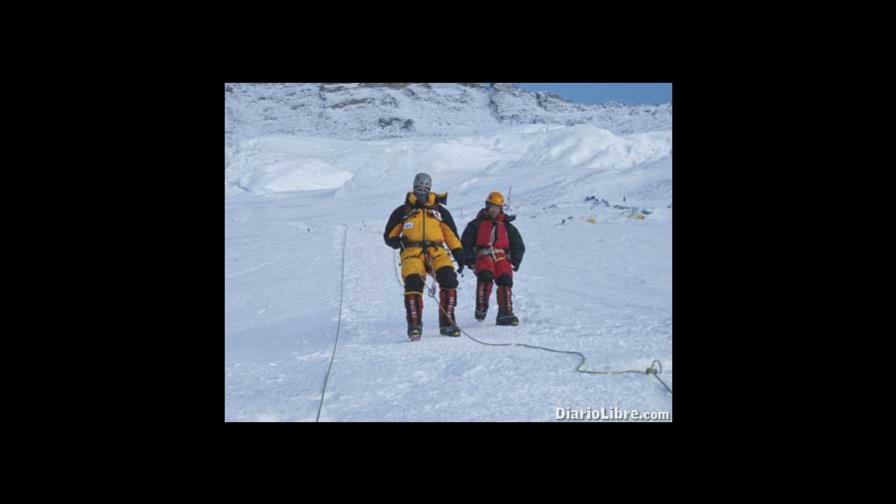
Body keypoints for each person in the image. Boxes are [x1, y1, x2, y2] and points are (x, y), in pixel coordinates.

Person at [384, 173, 464, 340]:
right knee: (413, 283)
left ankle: (448, 323)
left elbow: (451, 236)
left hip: (437, 251)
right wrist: (398, 241)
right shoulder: (403, 211)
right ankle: (414, 325)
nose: (421, 192)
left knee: (449, 279)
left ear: (429, 189)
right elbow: (389, 235)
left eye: (425, 189)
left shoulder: (439, 211)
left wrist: (460, 255)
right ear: (413, 188)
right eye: (418, 189)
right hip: (412, 253)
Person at [460, 191, 525, 326]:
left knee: (505, 279)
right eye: (492, 207)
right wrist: (469, 258)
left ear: (501, 209)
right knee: (485, 275)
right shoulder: (476, 224)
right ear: (487, 207)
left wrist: (516, 260)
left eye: (497, 208)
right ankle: (481, 307)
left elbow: (518, 244)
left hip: (502, 256)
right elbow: (466, 242)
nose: (494, 210)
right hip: (483, 255)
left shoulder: (507, 226)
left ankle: (505, 313)